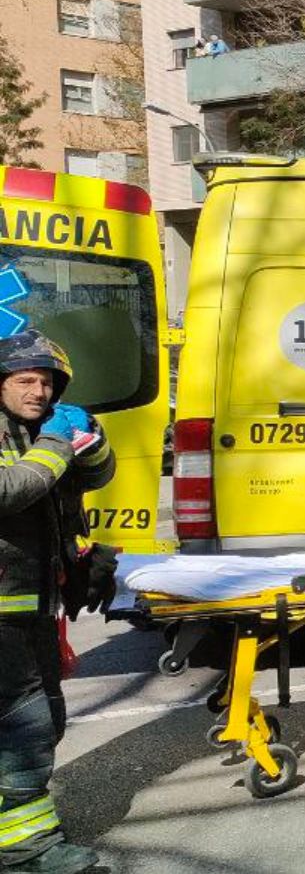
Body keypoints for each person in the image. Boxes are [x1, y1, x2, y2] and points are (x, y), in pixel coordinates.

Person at [0, 331, 116, 874]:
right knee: (26, 728)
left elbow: (91, 479)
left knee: (44, 719)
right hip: (3, 614)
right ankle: (28, 851)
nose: (39, 392)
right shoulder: (34, 439)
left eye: (47, 382)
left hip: (35, 608)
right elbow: (11, 492)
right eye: (26, 380)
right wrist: (54, 445)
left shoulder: (41, 430)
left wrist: (93, 444)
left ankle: (24, 831)